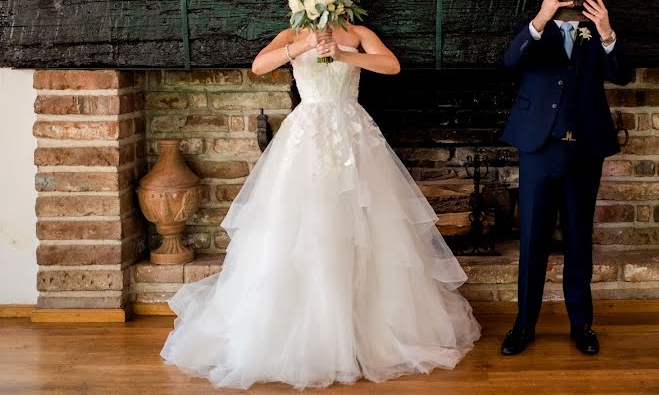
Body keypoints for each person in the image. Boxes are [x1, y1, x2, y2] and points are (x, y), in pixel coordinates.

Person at [160, 24, 481, 389]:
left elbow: (390, 65)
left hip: (353, 135)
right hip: (305, 139)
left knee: (364, 225)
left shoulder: (358, 31)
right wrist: (303, 46)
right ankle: (305, 333)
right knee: (302, 225)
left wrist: (343, 54)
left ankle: (365, 332)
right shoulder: (293, 32)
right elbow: (259, 66)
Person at [500, 0, 634, 356]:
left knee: (578, 240)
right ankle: (523, 325)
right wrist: (542, 18)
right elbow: (512, 59)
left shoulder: (596, 31)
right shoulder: (536, 29)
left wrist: (607, 31)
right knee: (532, 239)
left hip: (584, 150)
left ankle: (582, 326)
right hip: (538, 149)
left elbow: (623, 74)